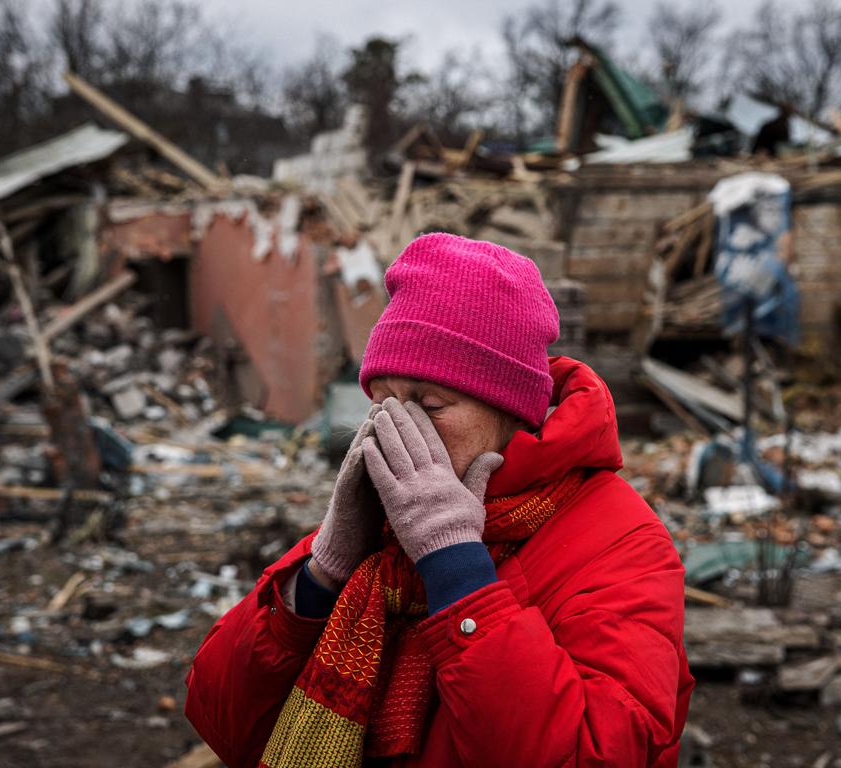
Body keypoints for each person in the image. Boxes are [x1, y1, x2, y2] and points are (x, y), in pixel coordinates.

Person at [185, 233, 694, 767]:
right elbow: (222, 717)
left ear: (513, 413)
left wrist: (457, 569)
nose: (400, 428)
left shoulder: (622, 544)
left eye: (431, 404)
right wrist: (322, 573)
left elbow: (598, 754)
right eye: (384, 403)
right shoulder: (385, 527)